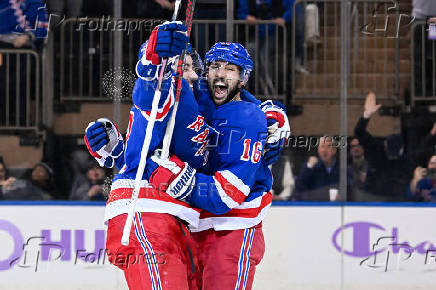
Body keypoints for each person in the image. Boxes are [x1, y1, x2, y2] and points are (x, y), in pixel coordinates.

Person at [84, 23, 289, 289]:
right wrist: (152, 61)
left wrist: (274, 113)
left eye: (230, 69)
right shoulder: (187, 95)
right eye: (215, 66)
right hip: (182, 220)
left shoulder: (247, 116)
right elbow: (152, 99)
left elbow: (221, 192)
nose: (219, 74)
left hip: (231, 224)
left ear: (243, 77)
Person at [354, 91, 414, 201]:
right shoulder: (377, 149)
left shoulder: (406, 161)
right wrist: (366, 114)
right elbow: (359, 132)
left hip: (396, 201)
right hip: (371, 198)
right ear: (385, 144)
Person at [293, 136, 348, 201]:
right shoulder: (310, 167)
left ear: (334, 150)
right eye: (322, 147)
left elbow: (349, 190)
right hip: (315, 206)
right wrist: (309, 167)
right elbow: (299, 191)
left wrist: (342, 196)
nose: (324, 150)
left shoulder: (342, 168)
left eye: (328, 147)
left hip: (337, 207)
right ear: (318, 150)